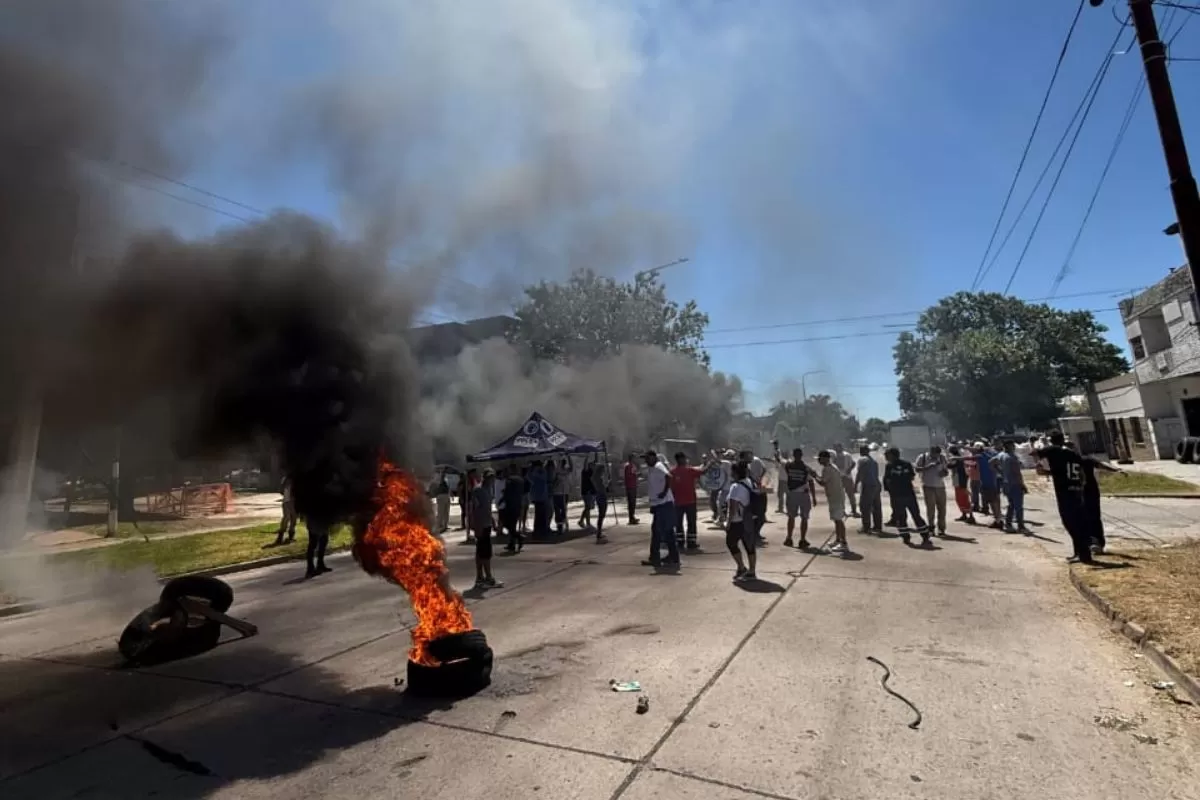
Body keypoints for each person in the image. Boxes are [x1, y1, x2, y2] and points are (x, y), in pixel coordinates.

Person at [1037, 431, 1093, 564]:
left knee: (1071, 524)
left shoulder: (1054, 451)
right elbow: (1071, 471)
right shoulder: (1072, 454)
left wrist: (1039, 465)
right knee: (1079, 522)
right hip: (1076, 490)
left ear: (1052, 441)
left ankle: (1084, 554)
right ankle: (1079, 552)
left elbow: (1035, 453)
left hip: (1065, 493)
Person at [1068, 443, 1121, 555]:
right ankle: (1089, 543)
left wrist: (1116, 470)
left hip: (1090, 492)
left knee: (1093, 517)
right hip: (1077, 493)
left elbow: (1100, 465)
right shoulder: (1067, 463)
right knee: (1083, 519)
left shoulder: (1086, 460)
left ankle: (1098, 543)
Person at [640, 449, 680, 569]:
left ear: (653, 457)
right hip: (659, 505)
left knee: (657, 533)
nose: (645, 461)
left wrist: (664, 492)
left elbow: (669, 476)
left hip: (664, 505)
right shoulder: (653, 468)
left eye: (647, 458)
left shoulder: (658, 466)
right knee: (667, 533)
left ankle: (655, 558)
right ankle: (673, 557)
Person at [883, 447, 929, 545]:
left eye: (887, 455)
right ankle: (924, 536)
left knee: (902, 517)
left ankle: (906, 537)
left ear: (893, 455)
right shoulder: (907, 464)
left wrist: (891, 488)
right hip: (908, 494)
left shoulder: (890, 466)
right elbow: (912, 477)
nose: (885, 457)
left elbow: (887, 480)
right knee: (915, 515)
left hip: (898, 495)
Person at [774, 443, 816, 549]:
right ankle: (802, 539)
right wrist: (814, 497)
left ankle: (789, 538)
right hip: (803, 495)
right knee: (804, 518)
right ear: (801, 455)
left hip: (792, 494)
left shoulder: (788, 465)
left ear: (793, 455)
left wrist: (776, 448)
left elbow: (779, 459)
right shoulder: (806, 468)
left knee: (791, 517)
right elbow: (811, 482)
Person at [467, 469, 502, 590]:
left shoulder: (488, 490)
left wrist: (492, 521)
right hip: (480, 525)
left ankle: (485, 577)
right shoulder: (478, 490)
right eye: (489, 477)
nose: (491, 480)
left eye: (492, 477)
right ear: (484, 478)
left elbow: (487, 508)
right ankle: (483, 578)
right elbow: (473, 509)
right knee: (483, 553)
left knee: (485, 553)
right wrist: (475, 526)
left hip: (486, 524)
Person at [725, 461, 757, 581]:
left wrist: (728, 523)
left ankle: (741, 566)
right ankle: (752, 570)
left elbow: (732, 507)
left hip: (737, 521)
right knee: (749, 545)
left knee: (731, 543)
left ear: (736, 473)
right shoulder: (749, 482)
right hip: (749, 518)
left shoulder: (735, 487)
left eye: (732, 471)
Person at [816, 450, 850, 553]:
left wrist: (814, 476)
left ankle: (843, 543)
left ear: (826, 458)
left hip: (836, 497)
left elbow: (822, 482)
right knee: (836, 519)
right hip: (835, 496)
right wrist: (816, 475)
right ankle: (838, 539)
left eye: (820, 458)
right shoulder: (831, 467)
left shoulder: (827, 469)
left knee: (839, 520)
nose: (818, 460)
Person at [991, 440, 1029, 534]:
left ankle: (1008, 524)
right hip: (1015, 484)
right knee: (1018, 506)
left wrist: (1001, 473)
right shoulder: (1012, 457)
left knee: (1011, 505)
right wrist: (1022, 485)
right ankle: (1021, 526)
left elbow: (991, 462)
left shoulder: (1001, 455)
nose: (1014, 447)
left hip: (1006, 483)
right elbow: (1018, 474)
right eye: (1013, 446)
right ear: (1009, 447)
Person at [670, 452, 705, 550]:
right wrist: (711, 464)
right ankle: (690, 542)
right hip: (688, 502)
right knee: (690, 522)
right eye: (685, 459)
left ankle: (681, 542)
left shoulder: (673, 472)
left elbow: (670, 488)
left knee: (679, 523)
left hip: (679, 502)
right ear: (680, 459)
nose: (686, 460)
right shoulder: (688, 470)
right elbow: (703, 472)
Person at [914, 444, 949, 536]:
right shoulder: (923, 457)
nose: (936, 456)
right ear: (931, 452)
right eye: (934, 454)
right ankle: (931, 527)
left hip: (940, 486)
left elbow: (946, 470)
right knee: (931, 509)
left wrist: (944, 473)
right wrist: (928, 467)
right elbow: (917, 469)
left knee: (942, 509)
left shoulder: (942, 458)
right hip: (928, 486)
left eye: (938, 454)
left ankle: (941, 529)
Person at [741, 449, 769, 546]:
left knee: (760, 514)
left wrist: (760, 480)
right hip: (751, 491)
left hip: (758, 490)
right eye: (748, 456)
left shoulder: (756, 461)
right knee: (755, 514)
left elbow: (765, 470)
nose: (750, 458)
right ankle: (752, 533)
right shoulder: (742, 465)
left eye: (750, 455)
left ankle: (755, 533)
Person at [855, 444, 883, 534]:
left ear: (862, 451)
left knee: (865, 507)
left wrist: (855, 485)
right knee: (876, 506)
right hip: (876, 484)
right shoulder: (873, 461)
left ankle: (866, 527)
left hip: (868, 485)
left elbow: (860, 473)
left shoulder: (862, 460)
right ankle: (878, 526)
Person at [974, 444, 1002, 529]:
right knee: (996, 502)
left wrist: (956, 458)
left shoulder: (980, 456)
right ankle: (999, 520)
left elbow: (967, 458)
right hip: (994, 482)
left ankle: (998, 521)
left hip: (987, 484)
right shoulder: (992, 455)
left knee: (993, 503)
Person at [946, 446, 976, 525]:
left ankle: (970, 516)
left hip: (960, 480)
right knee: (960, 498)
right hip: (958, 479)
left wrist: (945, 463)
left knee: (963, 498)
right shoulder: (959, 459)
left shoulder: (957, 459)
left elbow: (950, 466)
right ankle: (965, 514)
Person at [499, 465, 525, 553]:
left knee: (507, 524)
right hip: (518, 504)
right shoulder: (521, 480)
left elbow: (507, 493)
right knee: (512, 525)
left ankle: (519, 537)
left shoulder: (509, 480)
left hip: (511, 506)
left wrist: (501, 500)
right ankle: (512, 544)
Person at [833, 443, 859, 517]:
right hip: (838, 478)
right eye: (836, 448)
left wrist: (849, 469)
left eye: (838, 447)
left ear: (841, 447)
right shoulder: (834, 456)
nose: (837, 449)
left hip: (847, 477)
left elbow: (854, 463)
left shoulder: (847, 455)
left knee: (851, 494)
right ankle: (842, 511)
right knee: (840, 495)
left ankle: (854, 511)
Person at [272, 474, 297, 546]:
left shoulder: (286, 478)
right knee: (292, 519)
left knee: (287, 518)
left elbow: (281, 490)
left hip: (286, 501)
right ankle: (289, 537)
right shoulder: (293, 479)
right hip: (291, 501)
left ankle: (281, 538)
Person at [528, 460, 551, 538]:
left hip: (537, 497)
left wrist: (532, 468)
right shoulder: (541, 473)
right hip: (541, 497)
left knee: (539, 515)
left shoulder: (533, 474)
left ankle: (537, 531)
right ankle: (541, 531)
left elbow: (529, 476)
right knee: (541, 515)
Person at [550, 456, 573, 535]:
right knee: (557, 510)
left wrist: (569, 457)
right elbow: (554, 482)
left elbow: (571, 468)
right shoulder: (557, 472)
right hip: (557, 493)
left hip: (565, 492)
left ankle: (563, 523)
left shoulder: (566, 471)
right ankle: (559, 526)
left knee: (564, 509)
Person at [432, 468, 452, 534]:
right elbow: (440, 481)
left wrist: (450, 495)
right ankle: (438, 526)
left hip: (446, 496)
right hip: (441, 496)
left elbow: (448, 488)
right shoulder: (438, 479)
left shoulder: (446, 479)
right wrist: (442, 473)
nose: (444, 473)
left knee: (446, 512)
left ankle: (445, 526)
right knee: (441, 512)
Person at [623, 454, 641, 525]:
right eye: (634, 458)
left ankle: (632, 517)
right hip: (630, 486)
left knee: (633, 503)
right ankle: (631, 518)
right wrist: (636, 475)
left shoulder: (633, 465)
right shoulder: (628, 466)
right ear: (632, 458)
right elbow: (628, 476)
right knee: (631, 503)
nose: (636, 459)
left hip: (633, 485)